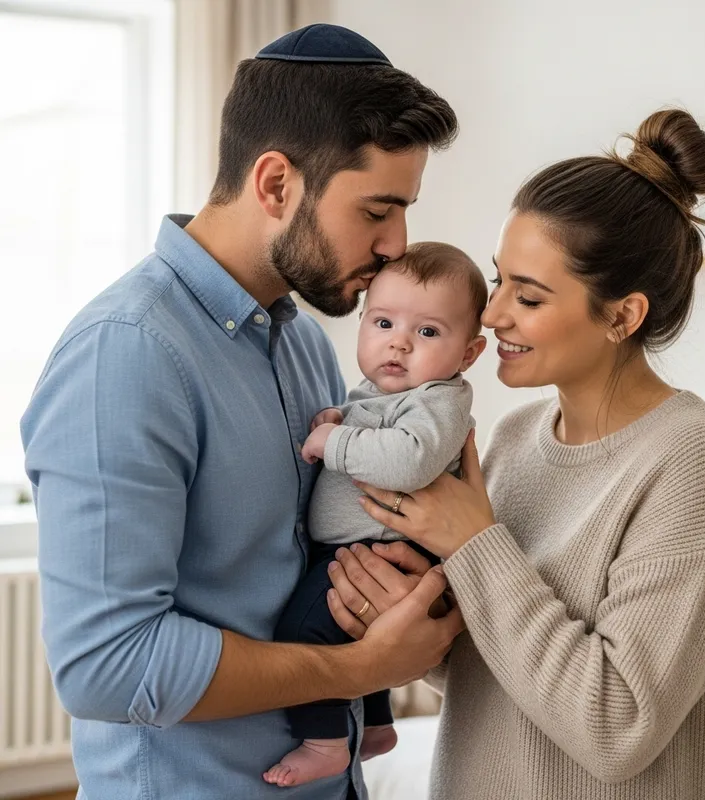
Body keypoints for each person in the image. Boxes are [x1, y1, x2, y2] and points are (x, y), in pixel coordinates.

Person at [20, 24, 463, 800]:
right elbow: (106, 667)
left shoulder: (303, 346)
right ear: (276, 185)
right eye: (377, 211)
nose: (398, 246)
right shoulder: (125, 354)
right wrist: (361, 668)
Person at [326, 109, 705, 800]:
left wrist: (473, 542)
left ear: (624, 316)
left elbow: (615, 728)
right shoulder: (512, 439)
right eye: (499, 280)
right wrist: (409, 623)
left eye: (527, 297)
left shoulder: (694, 462)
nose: (492, 313)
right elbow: (500, 676)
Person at [265, 242, 487, 788]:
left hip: (384, 546)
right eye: (383, 322)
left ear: (469, 353)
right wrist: (341, 416)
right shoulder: (387, 391)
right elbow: (373, 420)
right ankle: (380, 725)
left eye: (429, 332)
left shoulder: (440, 399)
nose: (400, 342)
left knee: (302, 630)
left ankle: (325, 742)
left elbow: (408, 459)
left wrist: (335, 440)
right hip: (362, 541)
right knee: (359, 634)